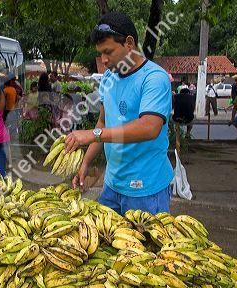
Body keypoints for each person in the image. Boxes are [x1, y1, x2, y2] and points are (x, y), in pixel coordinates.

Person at [64, 12, 173, 215]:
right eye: (100, 53)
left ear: (129, 43)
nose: (103, 60)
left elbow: (150, 127)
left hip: (145, 190)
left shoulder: (154, 78)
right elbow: (103, 122)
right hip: (112, 186)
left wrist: (91, 135)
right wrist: (85, 163)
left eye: (108, 52)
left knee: (143, 247)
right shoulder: (108, 78)